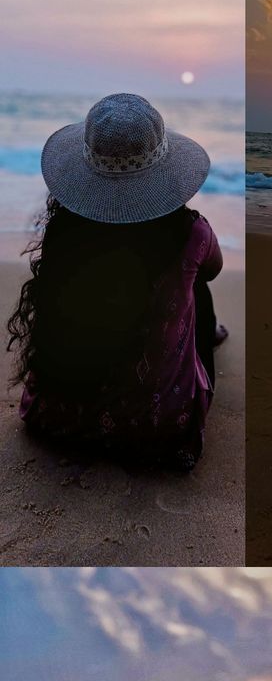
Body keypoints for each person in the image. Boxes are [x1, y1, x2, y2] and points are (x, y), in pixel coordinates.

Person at [6, 92, 228, 472]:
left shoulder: (63, 230)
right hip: (157, 431)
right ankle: (210, 337)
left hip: (59, 417)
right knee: (195, 283)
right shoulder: (191, 234)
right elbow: (214, 268)